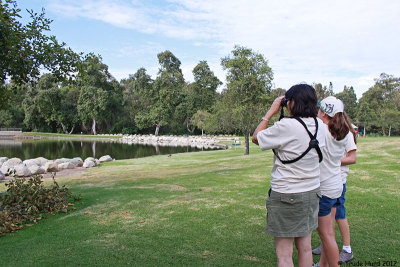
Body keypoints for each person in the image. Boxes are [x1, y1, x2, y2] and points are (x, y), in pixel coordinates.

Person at [252, 84, 326, 267]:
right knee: (306, 248)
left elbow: (256, 137)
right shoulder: (321, 126)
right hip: (312, 192)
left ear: (291, 103)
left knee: (285, 255)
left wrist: (269, 113)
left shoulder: (286, 126)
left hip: (286, 194)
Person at [312, 111, 357, 265]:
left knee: (339, 216)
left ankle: (346, 248)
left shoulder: (346, 133)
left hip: (336, 181)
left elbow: (352, 158)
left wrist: (333, 161)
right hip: (334, 181)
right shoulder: (327, 130)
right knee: (328, 228)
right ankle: (324, 259)